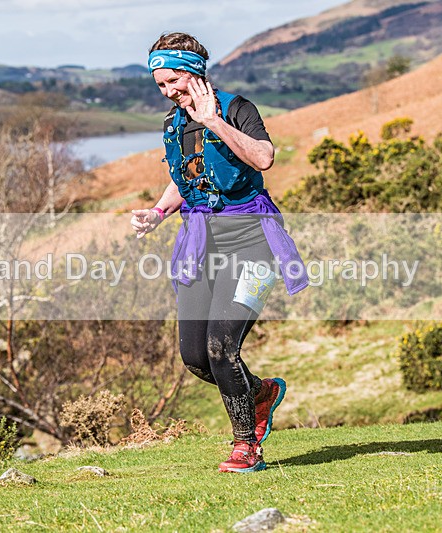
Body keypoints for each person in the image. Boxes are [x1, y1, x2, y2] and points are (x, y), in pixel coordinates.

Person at [130, 32, 308, 473]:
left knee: (221, 346)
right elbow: (185, 177)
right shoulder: (173, 124)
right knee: (195, 357)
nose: (168, 91)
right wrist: (158, 212)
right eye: (160, 85)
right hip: (201, 244)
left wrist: (212, 121)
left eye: (173, 80)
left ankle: (247, 446)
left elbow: (263, 158)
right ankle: (260, 391)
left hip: (252, 244)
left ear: (195, 71)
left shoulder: (235, 108)